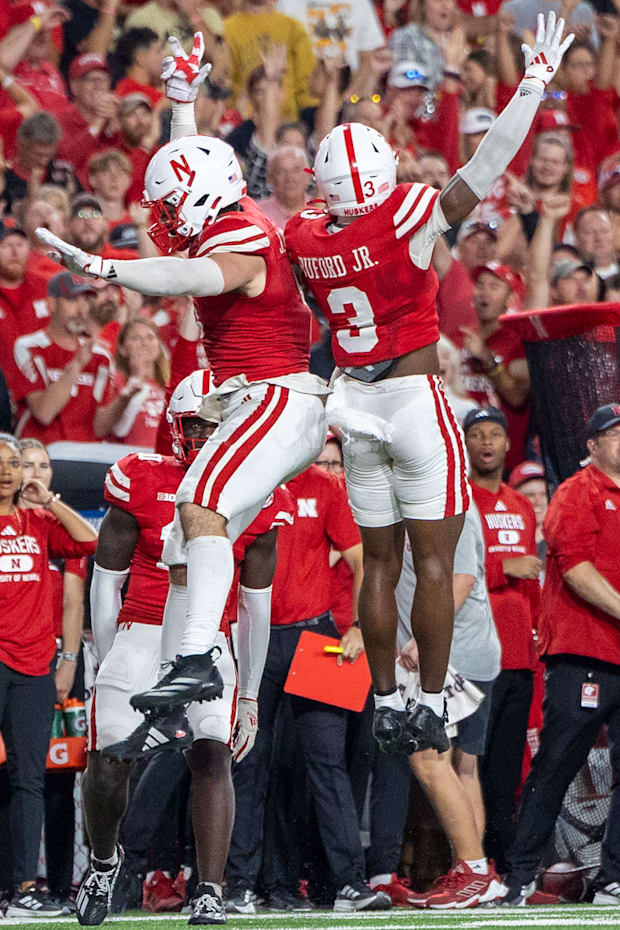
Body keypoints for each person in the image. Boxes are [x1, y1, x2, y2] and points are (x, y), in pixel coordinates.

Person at [285, 11, 574, 755]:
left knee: (379, 562)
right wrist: (533, 84)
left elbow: (318, 260)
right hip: (412, 398)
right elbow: (486, 167)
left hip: (353, 404)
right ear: (382, 177)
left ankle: (384, 698)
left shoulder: (307, 236)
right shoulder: (407, 213)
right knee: (436, 560)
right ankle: (436, 699)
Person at [38, 33, 327, 738]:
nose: (163, 222)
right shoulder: (221, 206)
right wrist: (180, 103)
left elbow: (188, 276)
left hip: (277, 396)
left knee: (199, 504)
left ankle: (198, 658)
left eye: (170, 209)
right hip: (254, 397)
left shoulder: (244, 239)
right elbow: (191, 169)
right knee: (185, 534)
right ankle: (187, 660)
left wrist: (108, 268)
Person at [77, 371, 293, 927]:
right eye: (194, 425)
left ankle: (211, 889)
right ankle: (104, 862)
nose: (202, 438)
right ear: (175, 426)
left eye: (216, 426)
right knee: (108, 766)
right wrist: (105, 658)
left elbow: (256, 605)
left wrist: (249, 696)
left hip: (210, 642)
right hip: (140, 630)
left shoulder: (260, 493)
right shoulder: (142, 478)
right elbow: (106, 580)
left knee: (211, 753)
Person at [226, 461, 386, 915]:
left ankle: (349, 885)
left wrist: (358, 624)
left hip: (317, 638)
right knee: (249, 762)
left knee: (327, 763)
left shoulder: (326, 484)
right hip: (250, 634)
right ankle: (238, 885)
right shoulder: (242, 478)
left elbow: (360, 557)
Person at [499, 403, 620, 906]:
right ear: (591, 445)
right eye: (614, 434)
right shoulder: (577, 491)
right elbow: (574, 568)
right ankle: (520, 874)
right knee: (556, 764)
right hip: (583, 653)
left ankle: (612, 877)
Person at [0, 432, 97, 918]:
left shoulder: (39, 522)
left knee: (28, 780)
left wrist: (49, 500)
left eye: (14, 464)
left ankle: (21, 888)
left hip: (33, 664)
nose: (7, 471)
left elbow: (88, 539)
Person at [395, 503, 502, 909]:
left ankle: (475, 871)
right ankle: (477, 875)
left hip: (452, 653)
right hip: (466, 650)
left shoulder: (444, 502)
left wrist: (425, 636)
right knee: (462, 767)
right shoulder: (432, 495)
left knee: (427, 759)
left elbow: (460, 576)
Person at [463, 407, 541, 875]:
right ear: (466, 444)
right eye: (477, 435)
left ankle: (505, 864)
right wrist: (502, 569)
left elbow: (532, 586)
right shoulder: (460, 502)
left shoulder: (521, 505)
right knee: (470, 763)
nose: (487, 442)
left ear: (508, 444)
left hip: (519, 656)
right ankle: (472, 862)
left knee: (507, 771)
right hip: (475, 652)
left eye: (495, 434)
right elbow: (451, 570)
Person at [18, 437, 87, 912]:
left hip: (51, 662)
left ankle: (58, 884)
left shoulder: (53, 524)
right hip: (12, 660)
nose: (35, 474)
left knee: (58, 779)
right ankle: (17, 880)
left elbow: (73, 599)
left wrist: (68, 660)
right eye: (26, 465)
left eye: (43, 466)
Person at [11, 270, 140, 444]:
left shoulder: (101, 356)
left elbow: (98, 428)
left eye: (85, 300)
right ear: (51, 303)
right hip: (41, 457)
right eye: (72, 300)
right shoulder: (28, 347)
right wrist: (77, 366)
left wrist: (125, 398)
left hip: (83, 458)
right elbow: (44, 413)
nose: (81, 309)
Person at [108, 319, 169, 449]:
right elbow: (119, 430)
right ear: (122, 349)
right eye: (136, 338)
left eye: (151, 337)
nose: (145, 343)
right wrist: (137, 378)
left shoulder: (167, 385)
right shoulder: (117, 380)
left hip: (162, 459)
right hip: (130, 460)